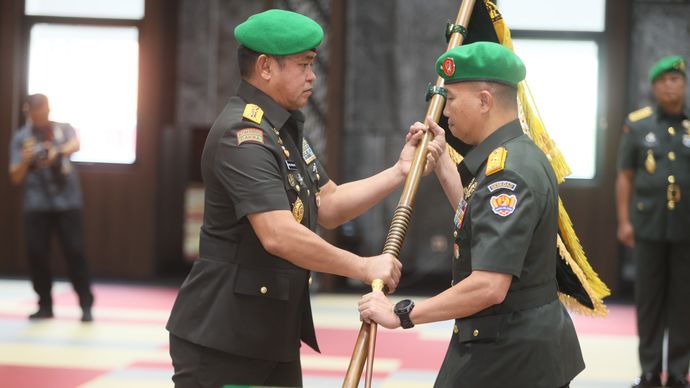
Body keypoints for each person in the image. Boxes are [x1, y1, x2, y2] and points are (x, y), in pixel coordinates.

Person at [165, 9, 443, 388]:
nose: (313, 75)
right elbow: (278, 234)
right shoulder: (243, 134)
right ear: (265, 67)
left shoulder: (282, 128)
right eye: (304, 64)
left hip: (268, 332)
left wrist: (399, 171)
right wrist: (363, 266)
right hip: (225, 339)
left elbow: (327, 204)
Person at [358, 42, 585, 388]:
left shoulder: (507, 174)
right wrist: (444, 162)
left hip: (509, 355)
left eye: (450, 98)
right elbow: (476, 218)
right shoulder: (513, 156)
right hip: (515, 343)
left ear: (484, 101)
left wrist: (400, 315)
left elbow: (490, 286)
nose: (444, 111)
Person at [616, 55, 690, 388]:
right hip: (648, 228)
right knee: (648, 301)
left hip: (686, 229)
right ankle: (649, 370)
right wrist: (623, 221)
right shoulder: (638, 124)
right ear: (654, 87)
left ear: (684, 85)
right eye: (663, 81)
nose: (670, 86)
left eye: (676, 79)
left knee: (683, 301)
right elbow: (625, 177)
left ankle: (677, 372)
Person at [8, 93, 94, 322]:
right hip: (37, 204)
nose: (38, 118)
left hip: (68, 202)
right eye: (33, 114)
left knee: (75, 252)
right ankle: (44, 304)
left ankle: (86, 305)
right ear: (27, 113)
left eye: (42, 113)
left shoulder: (62, 130)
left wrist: (57, 151)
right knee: (37, 254)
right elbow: (14, 177)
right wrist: (26, 160)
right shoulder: (21, 138)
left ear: (48, 110)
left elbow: (76, 143)